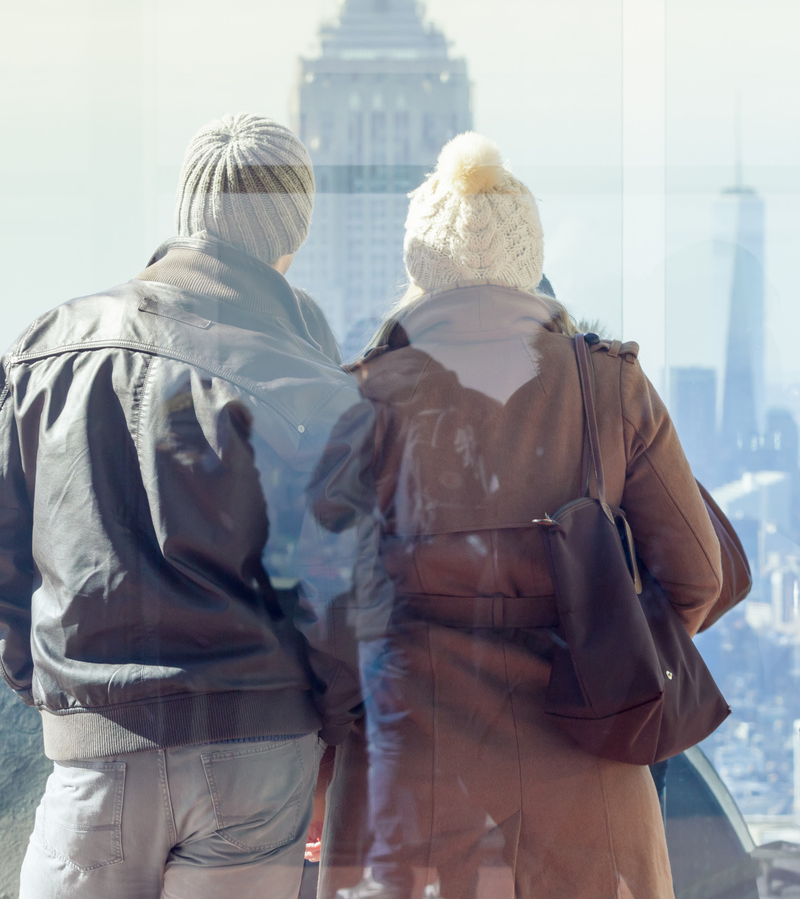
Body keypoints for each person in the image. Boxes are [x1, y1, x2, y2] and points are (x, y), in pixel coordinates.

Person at [319, 132, 723, 899]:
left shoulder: (356, 401)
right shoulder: (610, 386)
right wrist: (606, 647)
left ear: (419, 267)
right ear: (526, 262)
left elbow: (317, 620)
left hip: (408, 791)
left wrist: (318, 775)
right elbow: (698, 580)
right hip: (587, 776)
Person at [0, 113, 382, 899]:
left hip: (94, 748)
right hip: (257, 756)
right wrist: (329, 743)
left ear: (186, 213)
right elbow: (344, 609)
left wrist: (52, 691)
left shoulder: (46, 350)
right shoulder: (316, 391)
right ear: (292, 239)